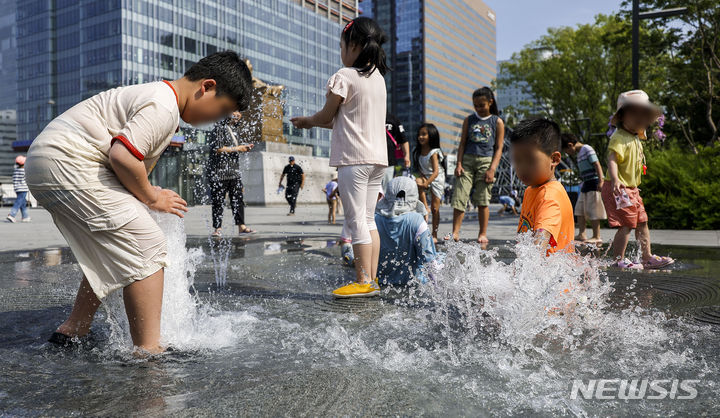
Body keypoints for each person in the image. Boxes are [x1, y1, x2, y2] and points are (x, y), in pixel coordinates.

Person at [24, 51, 253, 354]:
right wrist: (152, 196)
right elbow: (122, 156)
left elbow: (127, 166)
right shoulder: (163, 105)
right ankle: (148, 351)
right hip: (68, 161)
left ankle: (74, 328)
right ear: (207, 87)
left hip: (49, 159)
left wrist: (145, 192)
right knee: (148, 245)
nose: (215, 121)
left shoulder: (158, 100)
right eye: (221, 110)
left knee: (112, 246)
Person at [291, 17, 388, 298]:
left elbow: (326, 116)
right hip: (377, 160)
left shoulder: (344, 77)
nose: (341, 52)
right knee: (369, 219)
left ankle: (362, 280)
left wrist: (308, 121)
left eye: (342, 46)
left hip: (353, 159)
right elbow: (346, 120)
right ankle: (373, 279)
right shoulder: (379, 79)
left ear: (355, 46)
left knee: (356, 219)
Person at [602, 90, 674, 270]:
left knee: (642, 222)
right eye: (634, 113)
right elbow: (612, 158)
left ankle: (647, 257)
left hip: (632, 189)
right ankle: (618, 259)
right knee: (627, 224)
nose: (639, 118)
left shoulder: (635, 138)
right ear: (621, 116)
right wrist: (616, 179)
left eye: (644, 114)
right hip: (619, 186)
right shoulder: (619, 136)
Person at [511, 118, 575, 254]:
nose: (522, 168)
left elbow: (539, 245)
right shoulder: (531, 189)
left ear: (554, 159)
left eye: (530, 160)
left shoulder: (549, 197)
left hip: (554, 274)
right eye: (517, 160)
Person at [449, 87, 505, 243]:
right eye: (476, 105)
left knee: (482, 199)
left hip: (486, 162)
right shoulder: (469, 120)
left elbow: (499, 148)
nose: (479, 108)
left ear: (490, 102)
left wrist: (492, 169)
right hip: (467, 160)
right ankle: (455, 232)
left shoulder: (497, 121)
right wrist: (459, 163)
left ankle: (482, 233)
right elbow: (462, 143)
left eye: (482, 105)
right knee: (460, 196)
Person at [374, 176, 438, 286]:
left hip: (381, 282)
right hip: (411, 284)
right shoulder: (416, 220)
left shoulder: (375, 219)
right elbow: (429, 261)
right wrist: (438, 289)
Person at [207, 111, 255, 237]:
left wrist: (243, 148)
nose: (238, 114)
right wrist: (238, 148)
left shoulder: (233, 129)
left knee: (238, 199)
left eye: (240, 112)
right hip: (219, 172)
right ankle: (217, 229)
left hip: (234, 172)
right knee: (218, 201)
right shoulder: (219, 128)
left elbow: (231, 149)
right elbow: (218, 149)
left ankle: (242, 227)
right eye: (235, 111)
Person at [561, 133, 606, 244]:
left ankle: (597, 235)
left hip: (593, 182)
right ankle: (582, 234)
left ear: (570, 145)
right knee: (579, 209)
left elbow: (597, 164)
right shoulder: (579, 153)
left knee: (593, 209)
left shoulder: (587, 149)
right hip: (585, 183)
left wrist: (601, 181)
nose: (568, 153)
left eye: (566, 150)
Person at [413, 123, 445, 242]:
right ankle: (425, 206)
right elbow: (420, 170)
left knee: (436, 209)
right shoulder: (418, 151)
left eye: (424, 134)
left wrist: (427, 184)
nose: (420, 137)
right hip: (425, 176)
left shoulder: (434, 152)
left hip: (436, 178)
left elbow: (436, 171)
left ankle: (434, 233)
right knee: (417, 181)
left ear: (431, 136)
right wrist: (423, 181)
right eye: (419, 135)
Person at [382, 113, 410, 192]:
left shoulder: (392, 118)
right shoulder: (368, 115)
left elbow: (403, 139)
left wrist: (407, 156)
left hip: (388, 161)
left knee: (386, 190)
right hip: (370, 159)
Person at [6, 155, 31, 223]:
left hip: (17, 188)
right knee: (18, 202)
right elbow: (27, 179)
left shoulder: (16, 171)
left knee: (22, 203)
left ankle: (25, 216)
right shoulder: (23, 171)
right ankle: (12, 215)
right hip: (23, 189)